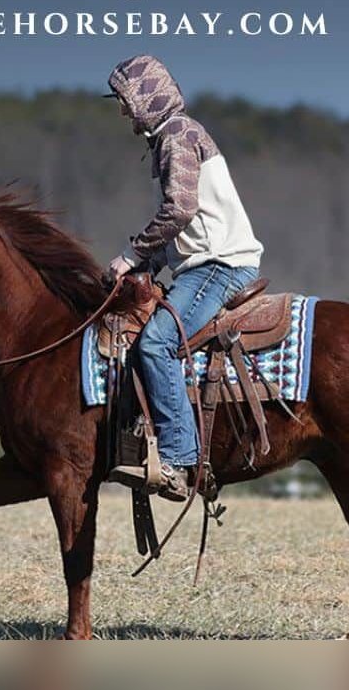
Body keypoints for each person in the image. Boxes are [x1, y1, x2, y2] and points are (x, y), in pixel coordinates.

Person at [104, 55, 263, 501]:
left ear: (144, 100)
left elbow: (179, 210)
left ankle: (178, 459)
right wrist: (145, 266)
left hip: (219, 266)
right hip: (202, 262)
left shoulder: (176, 135)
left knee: (156, 343)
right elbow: (183, 227)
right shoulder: (170, 137)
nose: (122, 112)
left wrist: (132, 253)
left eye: (125, 102)